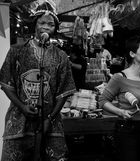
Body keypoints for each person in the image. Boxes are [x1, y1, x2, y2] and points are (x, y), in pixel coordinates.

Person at [0, 2, 76, 161]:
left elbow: (64, 91)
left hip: (50, 121)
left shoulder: (61, 56)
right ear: (35, 25)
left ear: (55, 28)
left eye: (51, 24)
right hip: (19, 119)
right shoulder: (17, 50)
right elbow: (6, 83)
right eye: (42, 22)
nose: (46, 27)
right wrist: (22, 106)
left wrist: (50, 116)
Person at [98, 36, 140, 161]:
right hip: (127, 129)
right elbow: (102, 101)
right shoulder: (120, 77)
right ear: (132, 54)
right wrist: (121, 112)